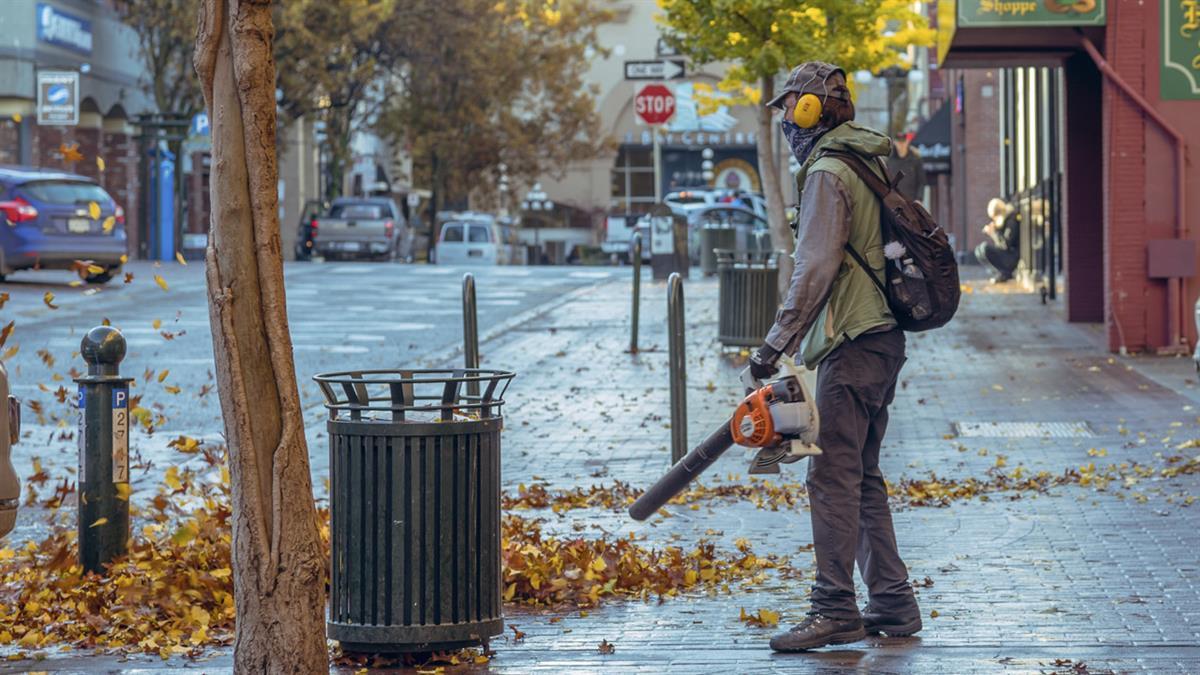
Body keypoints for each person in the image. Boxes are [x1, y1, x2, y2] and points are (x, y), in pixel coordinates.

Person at [750, 61, 922, 652]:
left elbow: (815, 266)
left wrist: (775, 343)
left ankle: (834, 609)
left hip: (854, 343)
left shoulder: (828, 170)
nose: (784, 124)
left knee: (830, 477)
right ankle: (894, 603)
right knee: (860, 474)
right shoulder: (863, 159)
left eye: (788, 110)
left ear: (808, 110)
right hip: (881, 339)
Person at [976, 198, 1020, 282]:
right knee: (978, 250)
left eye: (994, 217)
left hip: (1012, 257)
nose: (994, 220)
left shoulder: (1011, 220)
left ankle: (1005, 273)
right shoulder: (1005, 220)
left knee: (984, 248)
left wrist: (993, 233)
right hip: (1008, 255)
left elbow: (1006, 244)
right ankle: (999, 273)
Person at [889, 131, 927, 203]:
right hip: (893, 202)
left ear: (907, 142)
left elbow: (921, 182)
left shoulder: (916, 159)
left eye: (903, 142)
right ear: (895, 142)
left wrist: (919, 199)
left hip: (911, 202)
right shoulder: (889, 159)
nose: (901, 144)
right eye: (899, 142)